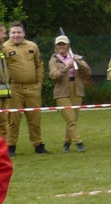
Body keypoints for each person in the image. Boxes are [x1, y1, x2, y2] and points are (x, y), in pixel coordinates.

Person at [3, 22, 49, 155]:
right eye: (13, 33)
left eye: (18, 32)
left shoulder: (32, 46)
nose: (16, 35)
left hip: (32, 88)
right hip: (14, 89)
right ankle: (11, 146)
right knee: (13, 119)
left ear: (23, 33)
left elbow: (39, 65)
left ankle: (38, 145)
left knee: (35, 118)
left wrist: (39, 82)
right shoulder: (4, 48)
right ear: (9, 34)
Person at [48, 34, 92, 152]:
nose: (61, 46)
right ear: (56, 46)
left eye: (63, 44)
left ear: (68, 45)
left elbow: (87, 72)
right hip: (62, 91)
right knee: (71, 119)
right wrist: (66, 68)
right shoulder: (53, 60)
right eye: (59, 44)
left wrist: (79, 62)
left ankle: (66, 143)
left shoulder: (75, 57)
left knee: (72, 119)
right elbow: (53, 76)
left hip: (76, 89)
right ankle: (79, 143)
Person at [0, 23, 10, 146]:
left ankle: (3, 151)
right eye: (3, 32)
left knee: (3, 124)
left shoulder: (2, 50)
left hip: (4, 94)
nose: (5, 36)